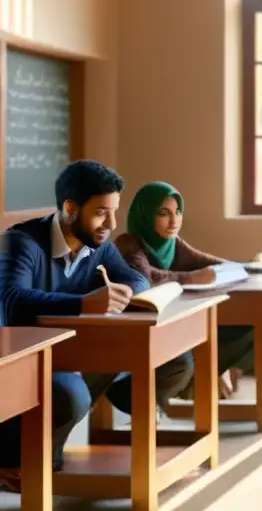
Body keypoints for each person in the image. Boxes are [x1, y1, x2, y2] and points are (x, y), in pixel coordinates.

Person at [0, 160, 193, 485]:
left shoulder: (98, 246)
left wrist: (131, 291)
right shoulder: (22, 243)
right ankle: (17, 458)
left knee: (175, 360)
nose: (111, 223)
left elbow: (134, 277)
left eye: (114, 212)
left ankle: (50, 448)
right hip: (27, 361)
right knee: (70, 394)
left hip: (76, 350)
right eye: (102, 212)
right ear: (71, 208)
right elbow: (12, 302)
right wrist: (83, 304)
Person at [115, 181, 262, 397]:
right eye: (163, 213)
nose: (174, 220)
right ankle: (177, 387)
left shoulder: (172, 243)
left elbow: (207, 262)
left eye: (177, 212)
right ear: (145, 214)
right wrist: (192, 278)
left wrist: (239, 268)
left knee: (254, 326)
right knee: (197, 344)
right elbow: (145, 277)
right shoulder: (128, 244)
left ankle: (210, 375)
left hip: (175, 323)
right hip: (140, 332)